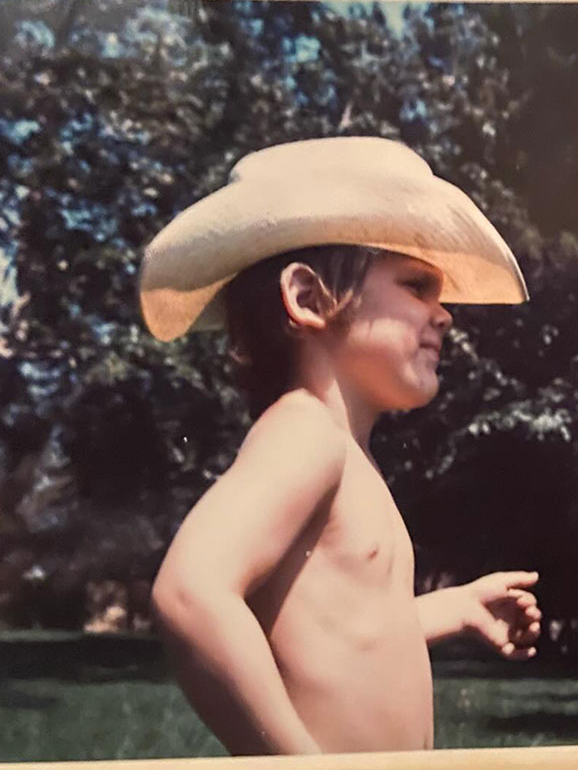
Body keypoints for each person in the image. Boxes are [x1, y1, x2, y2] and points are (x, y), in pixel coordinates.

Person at [138, 136, 541, 756]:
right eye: (416, 286)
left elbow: (352, 634)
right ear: (309, 299)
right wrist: (295, 764)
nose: (445, 315)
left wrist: (452, 610)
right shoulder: (304, 433)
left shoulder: (351, 457)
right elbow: (191, 593)